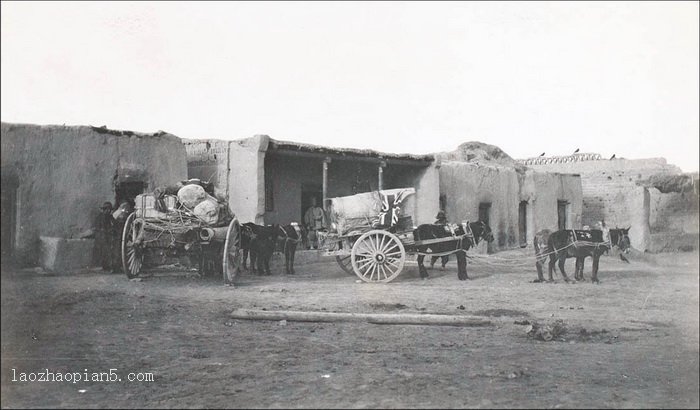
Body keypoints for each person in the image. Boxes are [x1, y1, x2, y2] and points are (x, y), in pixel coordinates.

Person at [94, 201, 117, 272]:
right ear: (104, 210)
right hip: (102, 236)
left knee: (110, 251)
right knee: (105, 251)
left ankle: (110, 266)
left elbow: (115, 224)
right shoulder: (100, 217)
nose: (109, 211)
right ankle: (106, 266)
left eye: (110, 209)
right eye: (107, 209)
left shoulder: (110, 217)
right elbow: (100, 228)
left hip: (108, 236)